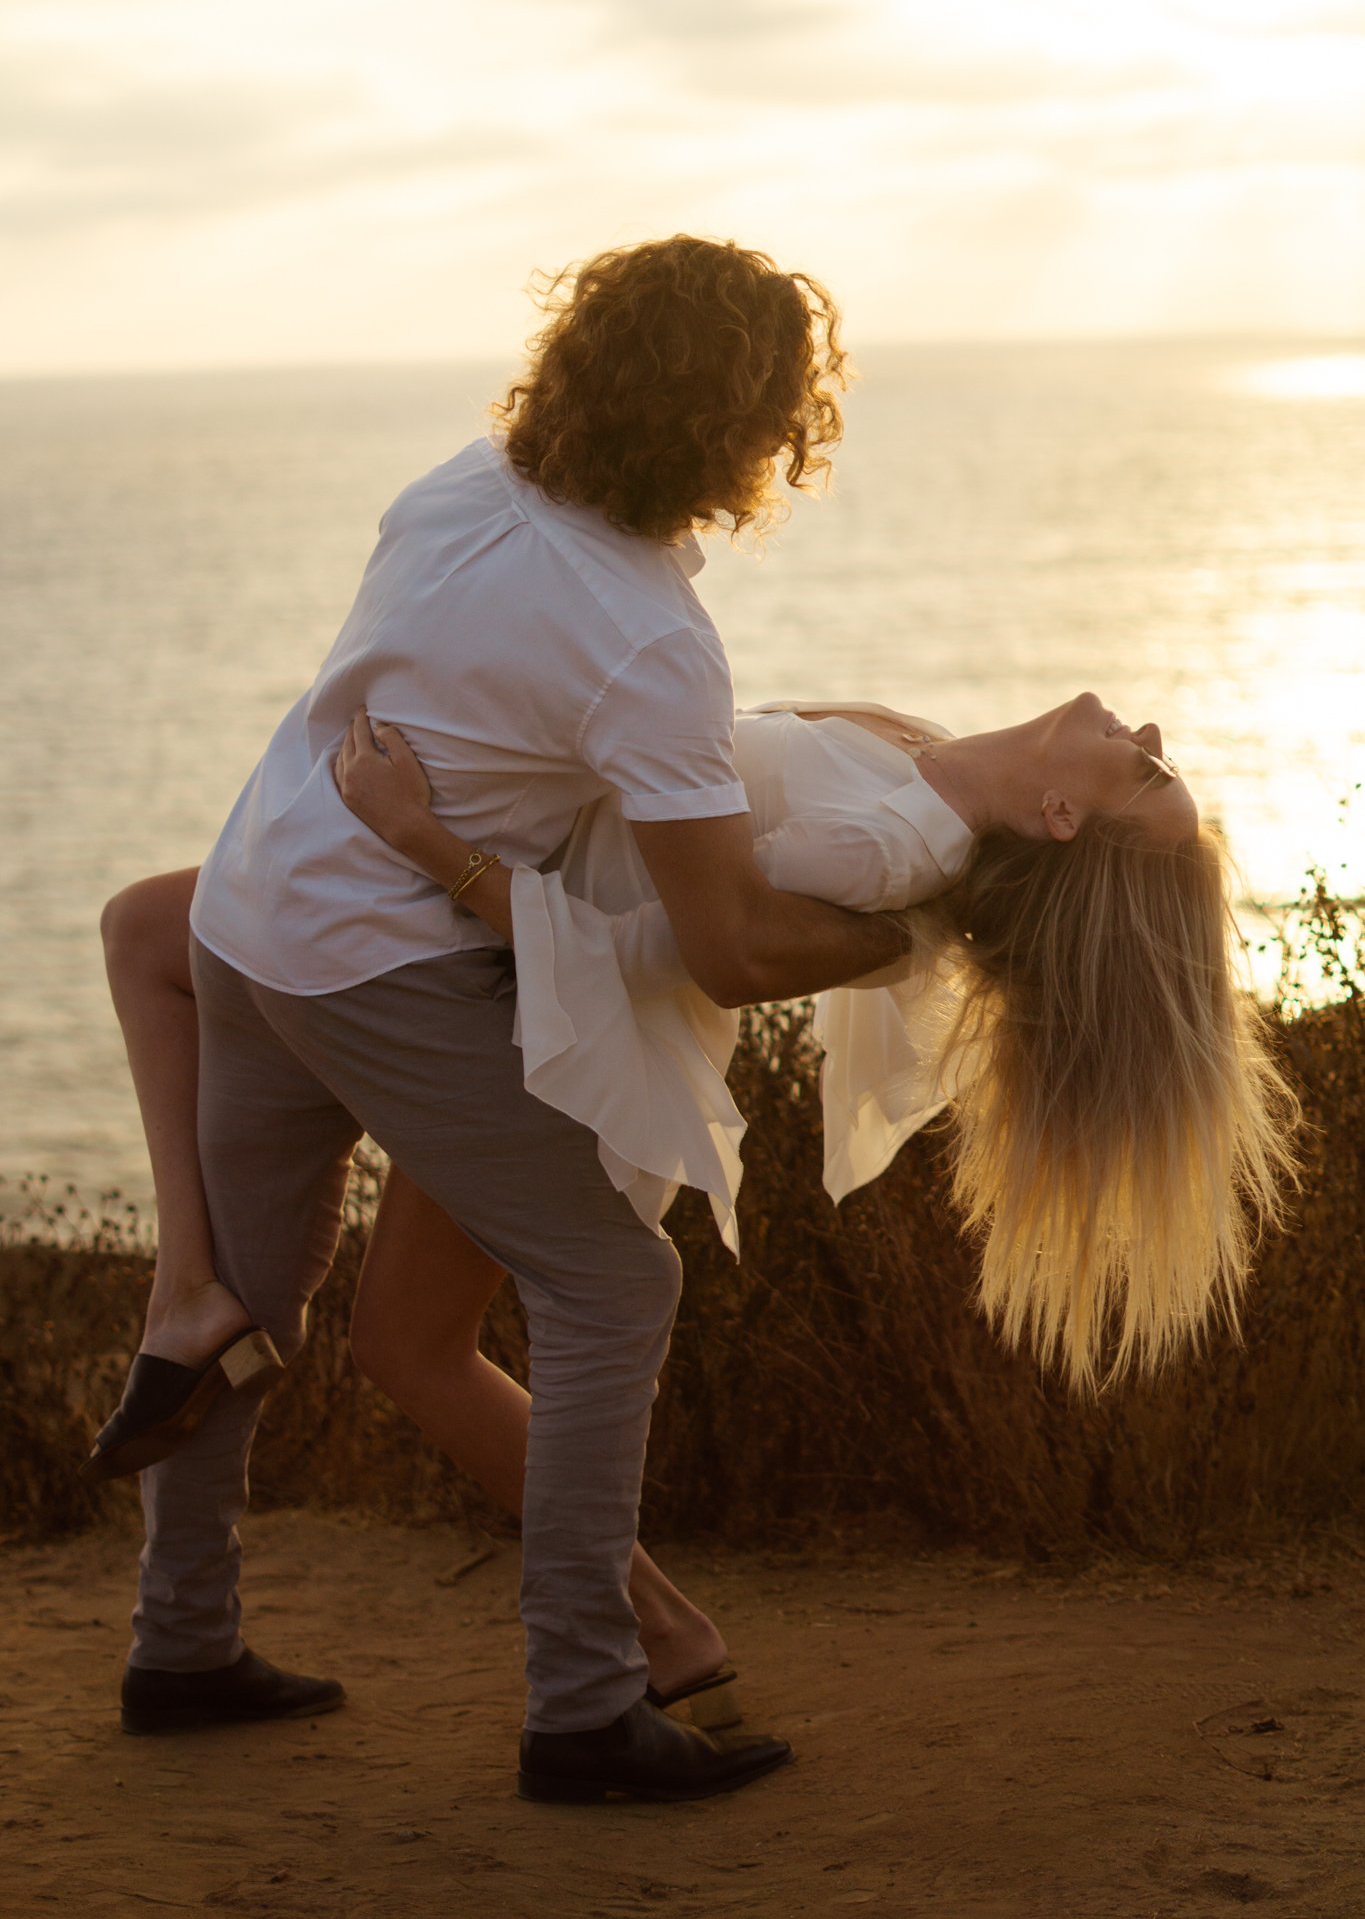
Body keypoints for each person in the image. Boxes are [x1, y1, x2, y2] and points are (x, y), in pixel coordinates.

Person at [93, 233, 926, 1804]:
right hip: (374, 966)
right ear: (744, 424)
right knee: (614, 1282)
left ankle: (181, 1645)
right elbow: (731, 949)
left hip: (248, 913)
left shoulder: (463, 484)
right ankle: (585, 1707)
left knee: (243, 1299)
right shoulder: (647, 637)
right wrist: (912, 937)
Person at [95, 691, 1296, 1665]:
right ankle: (191, 1300)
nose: (1148, 732)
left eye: (1146, 771)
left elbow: (643, 946)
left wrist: (426, 838)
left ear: (1062, 816)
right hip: (478, 932)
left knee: (408, 1344)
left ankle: (651, 1631)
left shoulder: (886, 859)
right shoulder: (932, 773)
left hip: (523, 1007)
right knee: (152, 931)